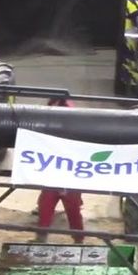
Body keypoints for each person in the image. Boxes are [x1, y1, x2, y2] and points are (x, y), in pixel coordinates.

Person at [34, 98, 85, 243]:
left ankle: (78, 240)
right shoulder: (51, 117)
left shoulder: (71, 120)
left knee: (73, 209)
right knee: (45, 206)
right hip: (53, 173)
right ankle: (41, 237)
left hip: (69, 175)